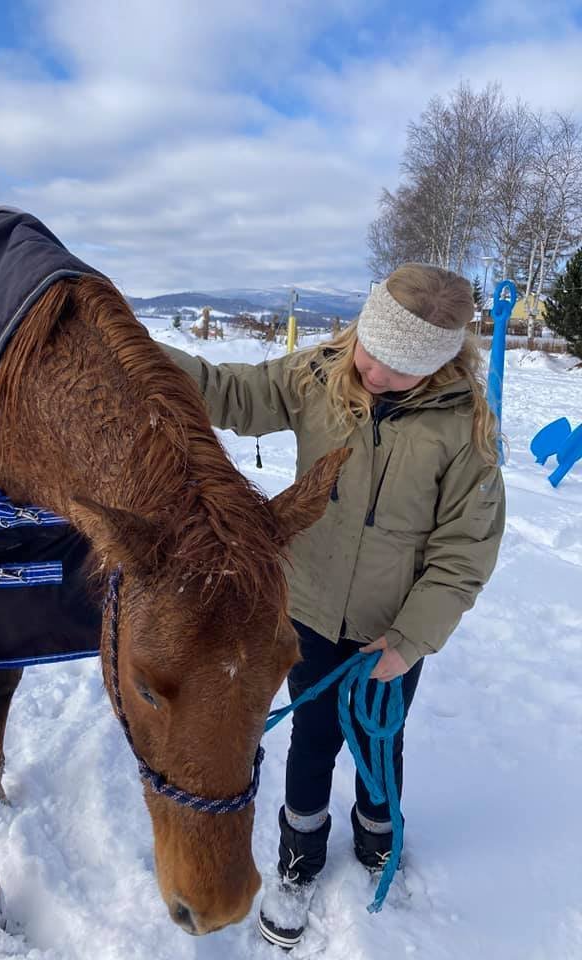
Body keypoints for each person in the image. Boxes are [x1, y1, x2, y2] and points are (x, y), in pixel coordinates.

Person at [161, 264, 505, 949]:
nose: (374, 374)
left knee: (381, 739)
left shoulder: (463, 428)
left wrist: (409, 639)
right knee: (312, 737)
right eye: (372, 354)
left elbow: (465, 550)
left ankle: (380, 838)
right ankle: (300, 858)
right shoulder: (320, 373)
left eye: (399, 370)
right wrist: (142, 355)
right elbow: (232, 392)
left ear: (438, 365)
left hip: (392, 630)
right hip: (309, 614)